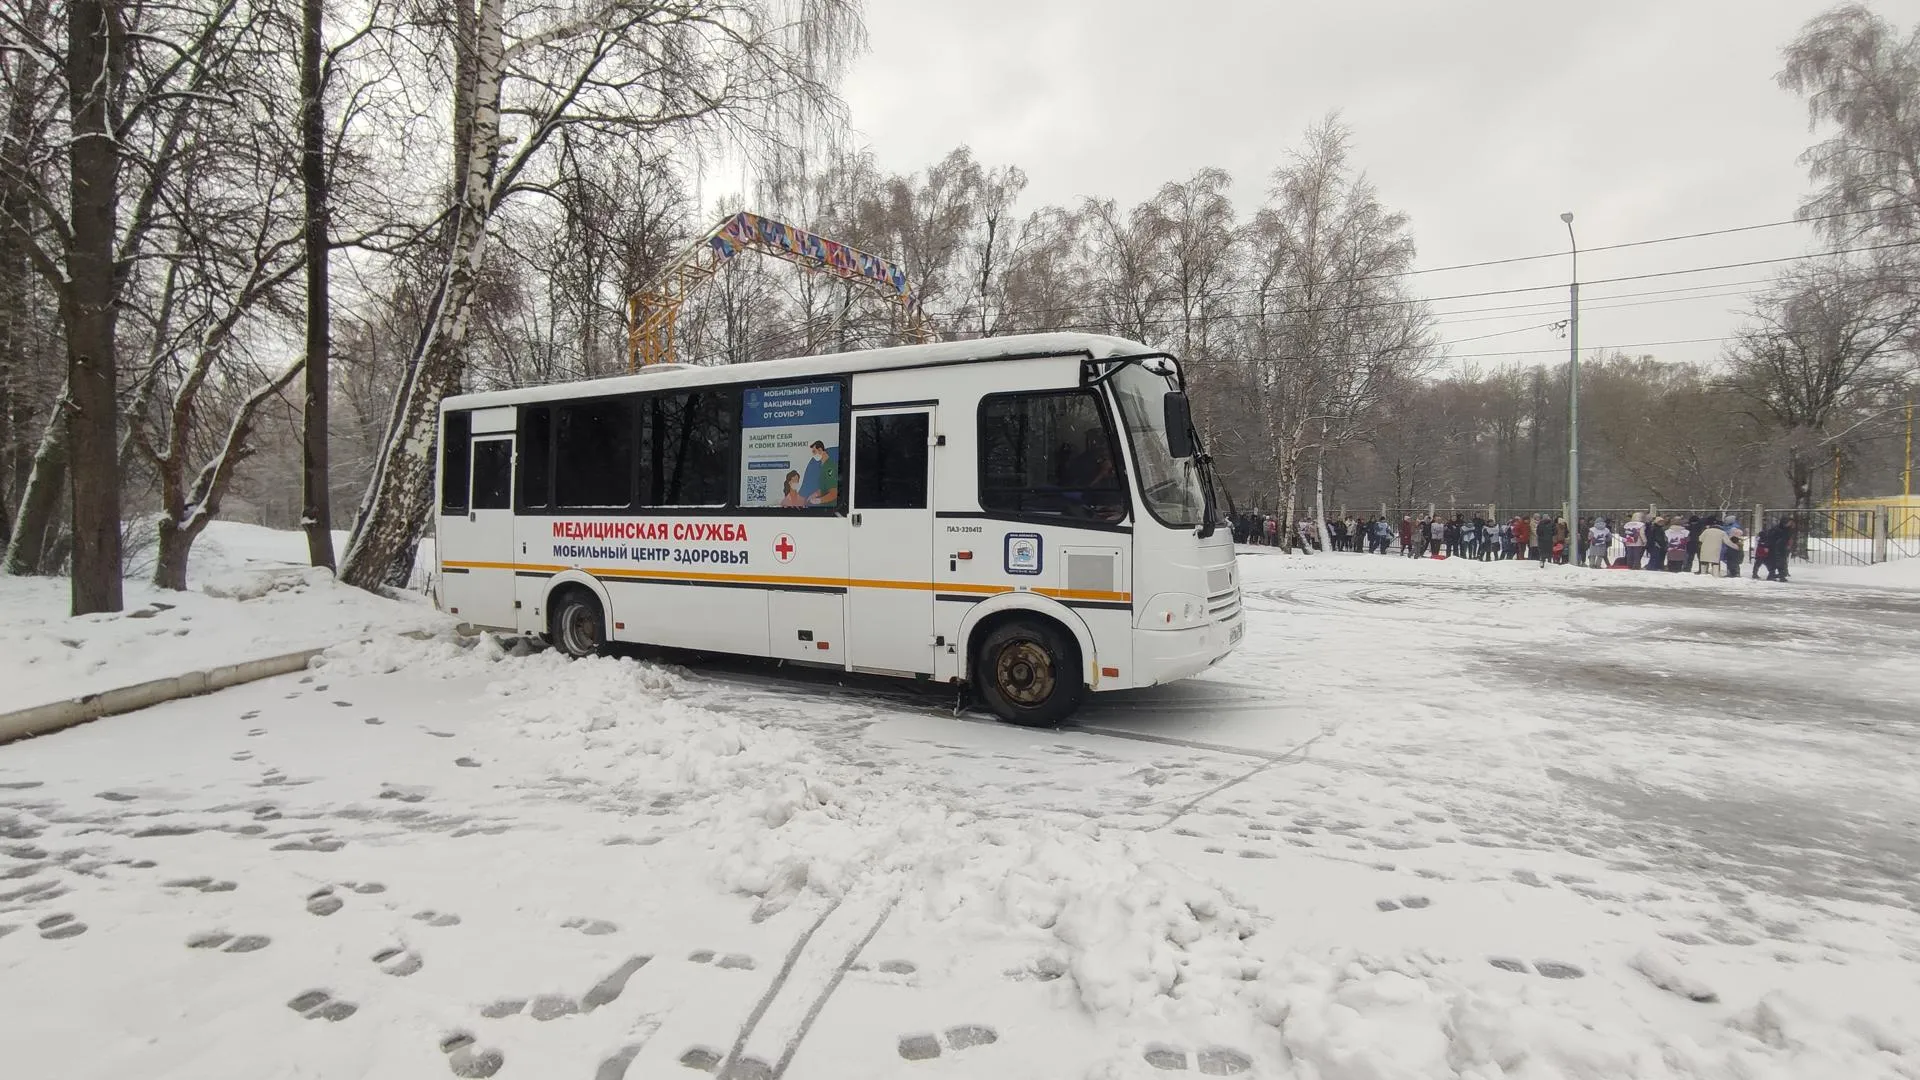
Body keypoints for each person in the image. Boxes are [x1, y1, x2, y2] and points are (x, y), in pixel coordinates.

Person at [804, 441, 839, 506]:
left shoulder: (829, 467)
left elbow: (834, 493)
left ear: (820, 450)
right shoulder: (823, 466)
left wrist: (819, 500)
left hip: (830, 508)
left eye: (814, 452)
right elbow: (825, 487)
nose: (813, 455)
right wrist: (816, 494)